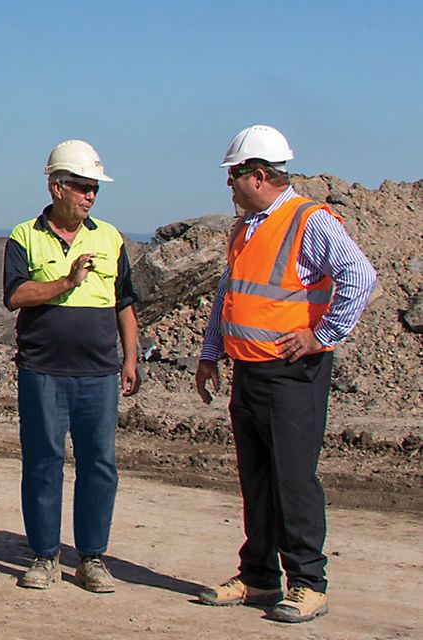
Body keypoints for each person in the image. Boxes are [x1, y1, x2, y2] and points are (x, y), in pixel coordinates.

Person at [194, 125, 376, 623]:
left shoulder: (307, 220)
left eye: (233, 175)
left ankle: (308, 583)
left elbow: (360, 277)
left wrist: (322, 335)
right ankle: (257, 576)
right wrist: (211, 351)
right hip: (250, 370)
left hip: (293, 373)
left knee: (293, 480)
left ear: (257, 175)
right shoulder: (247, 226)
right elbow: (230, 293)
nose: (228, 184)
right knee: (256, 480)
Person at [3, 140, 139, 593]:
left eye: (95, 188)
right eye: (82, 187)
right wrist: (64, 282)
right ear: (57, 187)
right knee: (43, 463)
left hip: (99, 373)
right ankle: (43, 556)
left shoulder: (110, 238)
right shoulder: (24, 236)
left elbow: (123, 303)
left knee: (99, 464)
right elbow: (16, 296)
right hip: (42, 371)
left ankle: (92, 558)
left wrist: (131, 357)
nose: (90, 196)